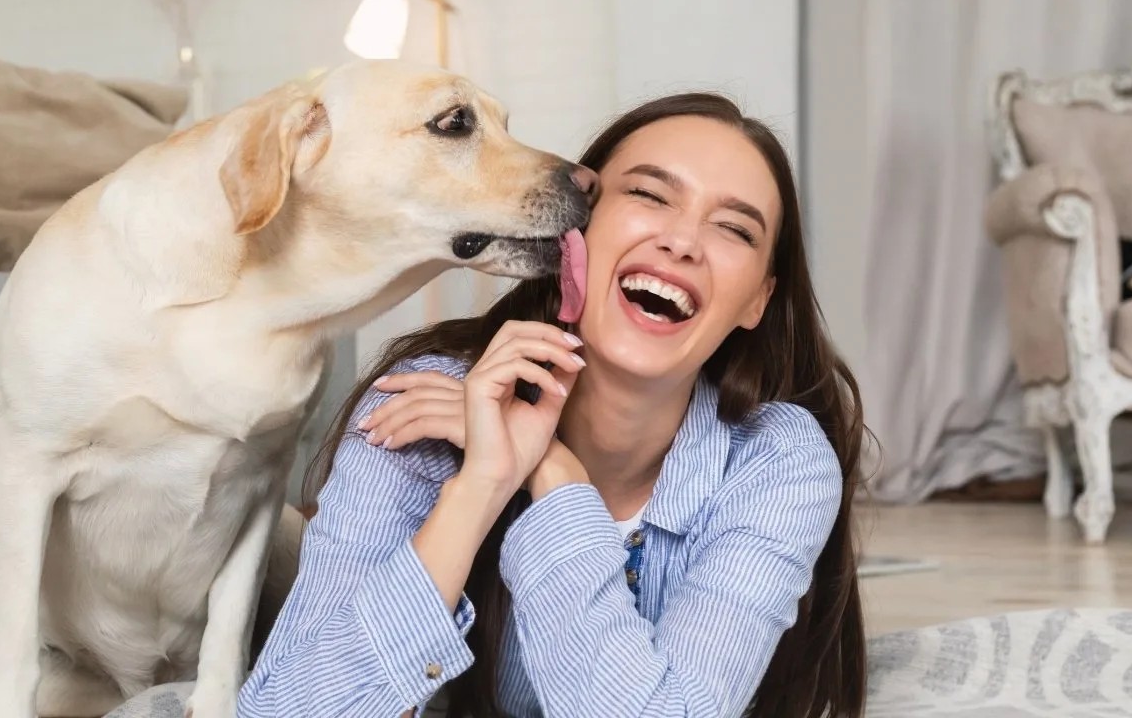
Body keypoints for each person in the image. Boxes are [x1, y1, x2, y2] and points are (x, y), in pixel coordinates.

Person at [237, 92, 868, 718]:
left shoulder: (778, 460)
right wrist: (480, 485)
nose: (682, 241)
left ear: (757, 300)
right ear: (573, 230)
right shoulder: (425, 402)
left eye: (733, 228)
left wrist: (553, 474)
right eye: (650, 195)